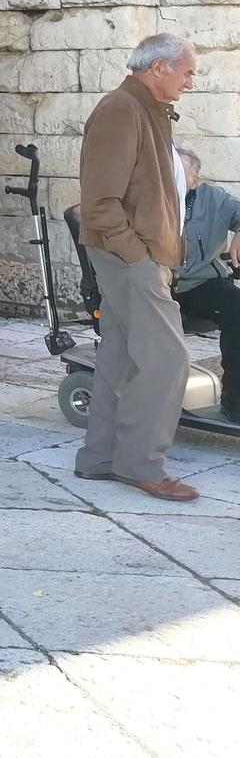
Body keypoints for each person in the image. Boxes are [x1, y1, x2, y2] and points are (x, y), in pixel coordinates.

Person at [75, 31, 200, 502]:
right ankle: (141, 464)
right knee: (169, 359)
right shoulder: (120, 111)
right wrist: (139, 256)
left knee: (120, 357)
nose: (191, 81)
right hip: (130, 257)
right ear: (158, 68)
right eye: (187, 71)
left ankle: (100, 458)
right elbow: (99, 201)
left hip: (141, 256)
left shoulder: (147, 110)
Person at [175, 147, 240, 422]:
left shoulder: (212, 198)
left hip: (199, 283)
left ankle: (235, 402)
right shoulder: (149, 195)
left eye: (181, 172)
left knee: (236, 308)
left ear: (195, 179)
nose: (175, 178)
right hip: (156, 284)